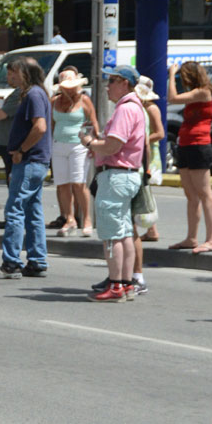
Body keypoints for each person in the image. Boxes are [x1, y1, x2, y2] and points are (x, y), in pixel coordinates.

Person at [80, 65, 146, 301]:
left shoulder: (125, 109)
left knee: (111, 235)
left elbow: (113, 146)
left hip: (116, 175)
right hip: (125, 174)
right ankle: (126, 283)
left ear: (124, 83)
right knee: (124, 232)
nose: (107, 86)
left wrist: (89, 143)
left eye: (112, 81)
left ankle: (117, 284)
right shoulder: (134, 107)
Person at [0, 58, 52, 280]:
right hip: (35, 161)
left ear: (23, 73)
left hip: (29, 161)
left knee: (15, 209)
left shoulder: (33, 95)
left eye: (12, 72)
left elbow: (39, 127)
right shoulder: (36, 93)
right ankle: (37, 260)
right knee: (33, 210)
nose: (9, 77)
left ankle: (11, 263)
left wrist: (21, 150)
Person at [167, 60, 212, 254]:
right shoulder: (195, 93)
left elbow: (172, 98)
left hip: (199, 144)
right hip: (186, 143)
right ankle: (191, 237)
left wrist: (171, 74)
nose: (183, 81)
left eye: (184, 77)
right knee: (191, 194)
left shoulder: (203, 92)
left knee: (205, 193)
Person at [50, 68, 98, 237]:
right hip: (59, 144)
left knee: (79, 183)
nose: (70, 89)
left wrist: (94, 145)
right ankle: (70, 218)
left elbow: (93, 124)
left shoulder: (84, 100)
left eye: (72, 86)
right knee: (62, 184)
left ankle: (87, 219)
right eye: (66, 86)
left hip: (78, 145)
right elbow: (52, 124)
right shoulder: (54, 101)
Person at [134, 75, 164, 245]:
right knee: (143, 190)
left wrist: (142, 139)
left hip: (149, 153)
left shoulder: (151, 108)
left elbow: (160, 133)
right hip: (142, 151)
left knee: (145, 189)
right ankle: (150, 229)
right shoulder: (140, 106)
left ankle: (151, 228)